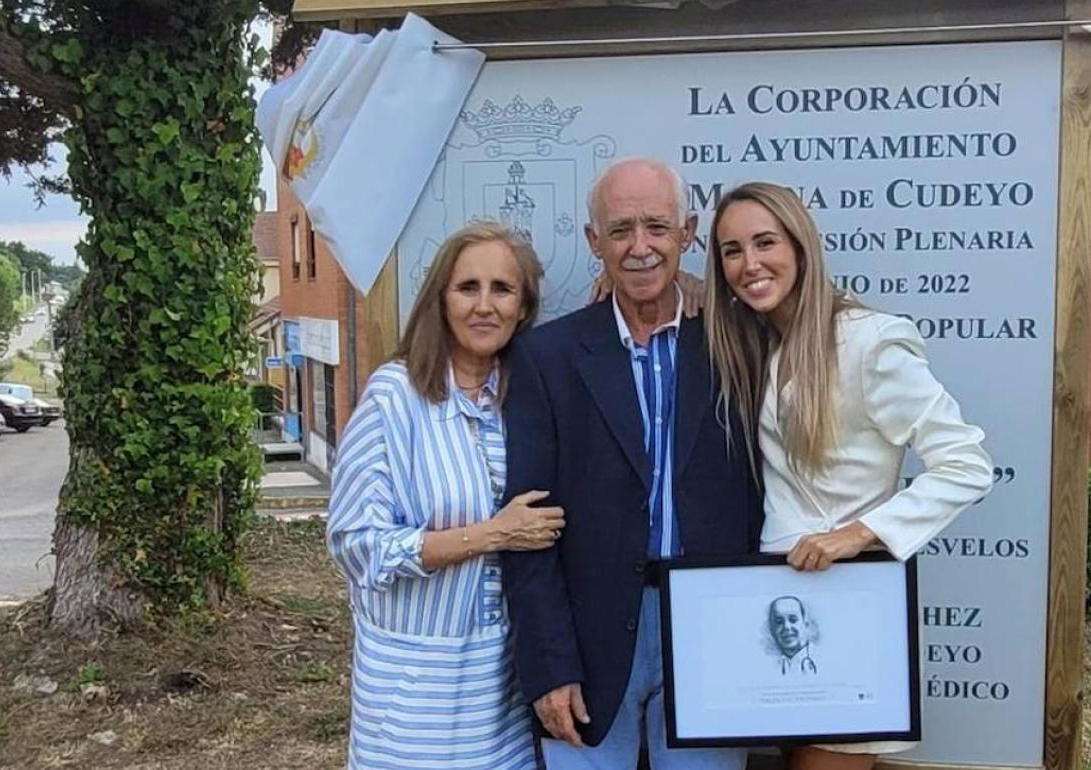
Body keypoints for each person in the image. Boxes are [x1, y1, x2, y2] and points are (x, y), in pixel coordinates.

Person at [703, 182, 994, 770]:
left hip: (847, 604)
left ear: (801, 246)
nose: (749, 263)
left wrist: (857, 535)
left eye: (765, 242)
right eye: (732, 250)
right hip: (775, 608)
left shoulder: (869, 342)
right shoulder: (763, 342)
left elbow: (967, 463)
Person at [501, 157, 763, 770]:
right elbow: (527, 525)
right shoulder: (547, 357)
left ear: (687, 234)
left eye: (657, 227)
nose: (640, 247)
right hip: (588, 636)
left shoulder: (738, 343)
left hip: (713, 627)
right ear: (594, 241)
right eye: (620, 230)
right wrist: (548, 665)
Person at [326, 222, 565, 770]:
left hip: (502, 690)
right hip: (413, 691)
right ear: (440, 299)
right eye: (467, 288)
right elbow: (357, 545)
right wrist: (492, 535)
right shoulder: (395, 397)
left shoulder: (526, 400)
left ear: (523, 307)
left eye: (502, 289)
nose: (484, 306)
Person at [768, 595, 818, 676]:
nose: (786, 627)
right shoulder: (771, 666)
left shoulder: (821, 657)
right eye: (779, 622)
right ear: (772, 629)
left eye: (793, 620)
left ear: (805, 624)